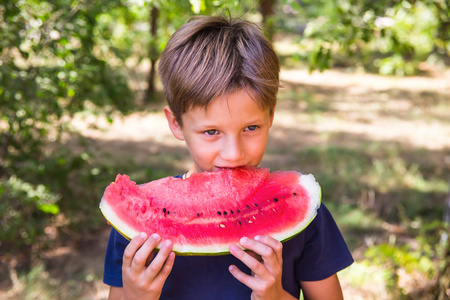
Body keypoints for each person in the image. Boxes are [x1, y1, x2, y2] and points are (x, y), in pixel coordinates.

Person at [103, 15, 353, 300]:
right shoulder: (136, 228)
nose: (234, 154)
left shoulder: (310, 217)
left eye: (251, 128)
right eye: (211, 131)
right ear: (176, 124)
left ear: (270, 116)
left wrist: (278, 297)